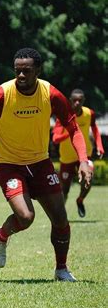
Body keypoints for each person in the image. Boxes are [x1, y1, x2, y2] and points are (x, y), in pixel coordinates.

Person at [0, 48, 92, 282]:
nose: (21, 76)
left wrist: (83, 160)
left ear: (38, 70)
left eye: (27, 71)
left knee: (60, 218)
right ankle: (2, 235)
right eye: (17, 71)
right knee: (26, 217)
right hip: (8, 163)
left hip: (40, 161)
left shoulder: (52, 94)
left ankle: (61, 269)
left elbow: (73, 128)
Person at [52, 88, 104, 217]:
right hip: (67, 157)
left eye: (80, 101)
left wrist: (99, 145)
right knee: (65, 189)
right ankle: (60, 216)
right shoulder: (63, 115)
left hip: (84, 155)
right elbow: (55, 139)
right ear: (70, 101)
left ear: (83, 101)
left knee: (88, 179)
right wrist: (72, 132)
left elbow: (95, 129)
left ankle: (80, 200)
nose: (77, 103)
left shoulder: (89, 113)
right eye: (74, 100)